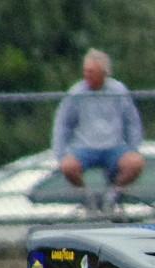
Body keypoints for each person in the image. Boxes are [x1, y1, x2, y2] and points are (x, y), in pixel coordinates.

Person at [52, 48, 145, 214]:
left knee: (135, 163)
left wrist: (133, 148)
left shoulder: (118, 91)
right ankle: (88, 199)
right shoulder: (76, 93)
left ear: (104, 73)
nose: (87, 75)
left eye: (91, 72)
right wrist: (60, 153)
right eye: (85, 71)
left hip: (114, 147)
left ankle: (111, 195)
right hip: (84, 148)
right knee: (68, 167)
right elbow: (63, 125)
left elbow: (132, 121)